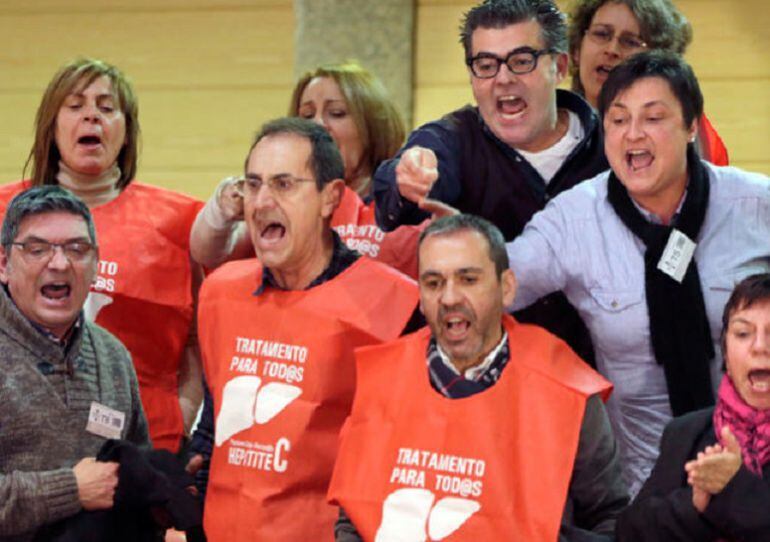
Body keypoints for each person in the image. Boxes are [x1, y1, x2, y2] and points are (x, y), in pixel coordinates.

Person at [506, 50, 770, 496]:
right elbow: (498, 285)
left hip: (757, 479)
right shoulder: (574, 219)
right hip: (642, 488)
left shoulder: (755, 205)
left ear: (691, 127)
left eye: (653, 118)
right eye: (618, 119)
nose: (633, 135)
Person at [328, 214, 628, 541]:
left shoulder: (567, 392)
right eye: (433, 283)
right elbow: (353, 519)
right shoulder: (380, 380)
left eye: (468, 279)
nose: (450, 298)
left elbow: (609, 518)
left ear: (507, 287)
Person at [195, 118, 419, 541]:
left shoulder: (395, 305)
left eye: (283, 184)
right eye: (254, 184)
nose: (261, 202)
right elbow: (212, 430)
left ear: (329, 197)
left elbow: (403, 458)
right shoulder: (220, 292)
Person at [372, 0, 608, 364]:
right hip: (487, 378)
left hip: (600, 379)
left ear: (559, 66)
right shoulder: (453, 139)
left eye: (521, 60)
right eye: (485, 65)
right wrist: (409, 176)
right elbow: (400, 184)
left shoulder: (609, 145)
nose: (503, 78)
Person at [0, 58, 205, 453]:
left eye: (107, 108)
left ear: (126, 132)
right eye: (75, 106)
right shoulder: (4, 209)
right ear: (52, 126)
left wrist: (185, 408)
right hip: (25, 440)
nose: (91, 116)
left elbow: (199, 333)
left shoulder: (181, 218)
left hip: (144, 437)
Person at [0, 186, 148, 540]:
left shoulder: (114, 357)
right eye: (37, 249)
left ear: (96, 265)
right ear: (4, 264)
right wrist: (70, 489)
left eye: (77, 249)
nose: (60, 263)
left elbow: (134, 468)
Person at [190, 61, 424, 277]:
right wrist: (221, 209)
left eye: (337, 113)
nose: (318, 125)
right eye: (306, 115)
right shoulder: (276, 197)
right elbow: (208, 253)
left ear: (373, 125)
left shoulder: (407, 198)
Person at [616, 273, 770, 541]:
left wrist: (732, 487)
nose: (759, 347)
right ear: (725, 351)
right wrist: (696, 503)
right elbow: (628, 531)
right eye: (743, 333)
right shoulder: (686, 432)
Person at [567, 0, 729, 165]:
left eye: (630, 42)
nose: (612, 50)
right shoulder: (550, 126)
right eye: (601, 34)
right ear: (576, 51)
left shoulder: (687, 131)